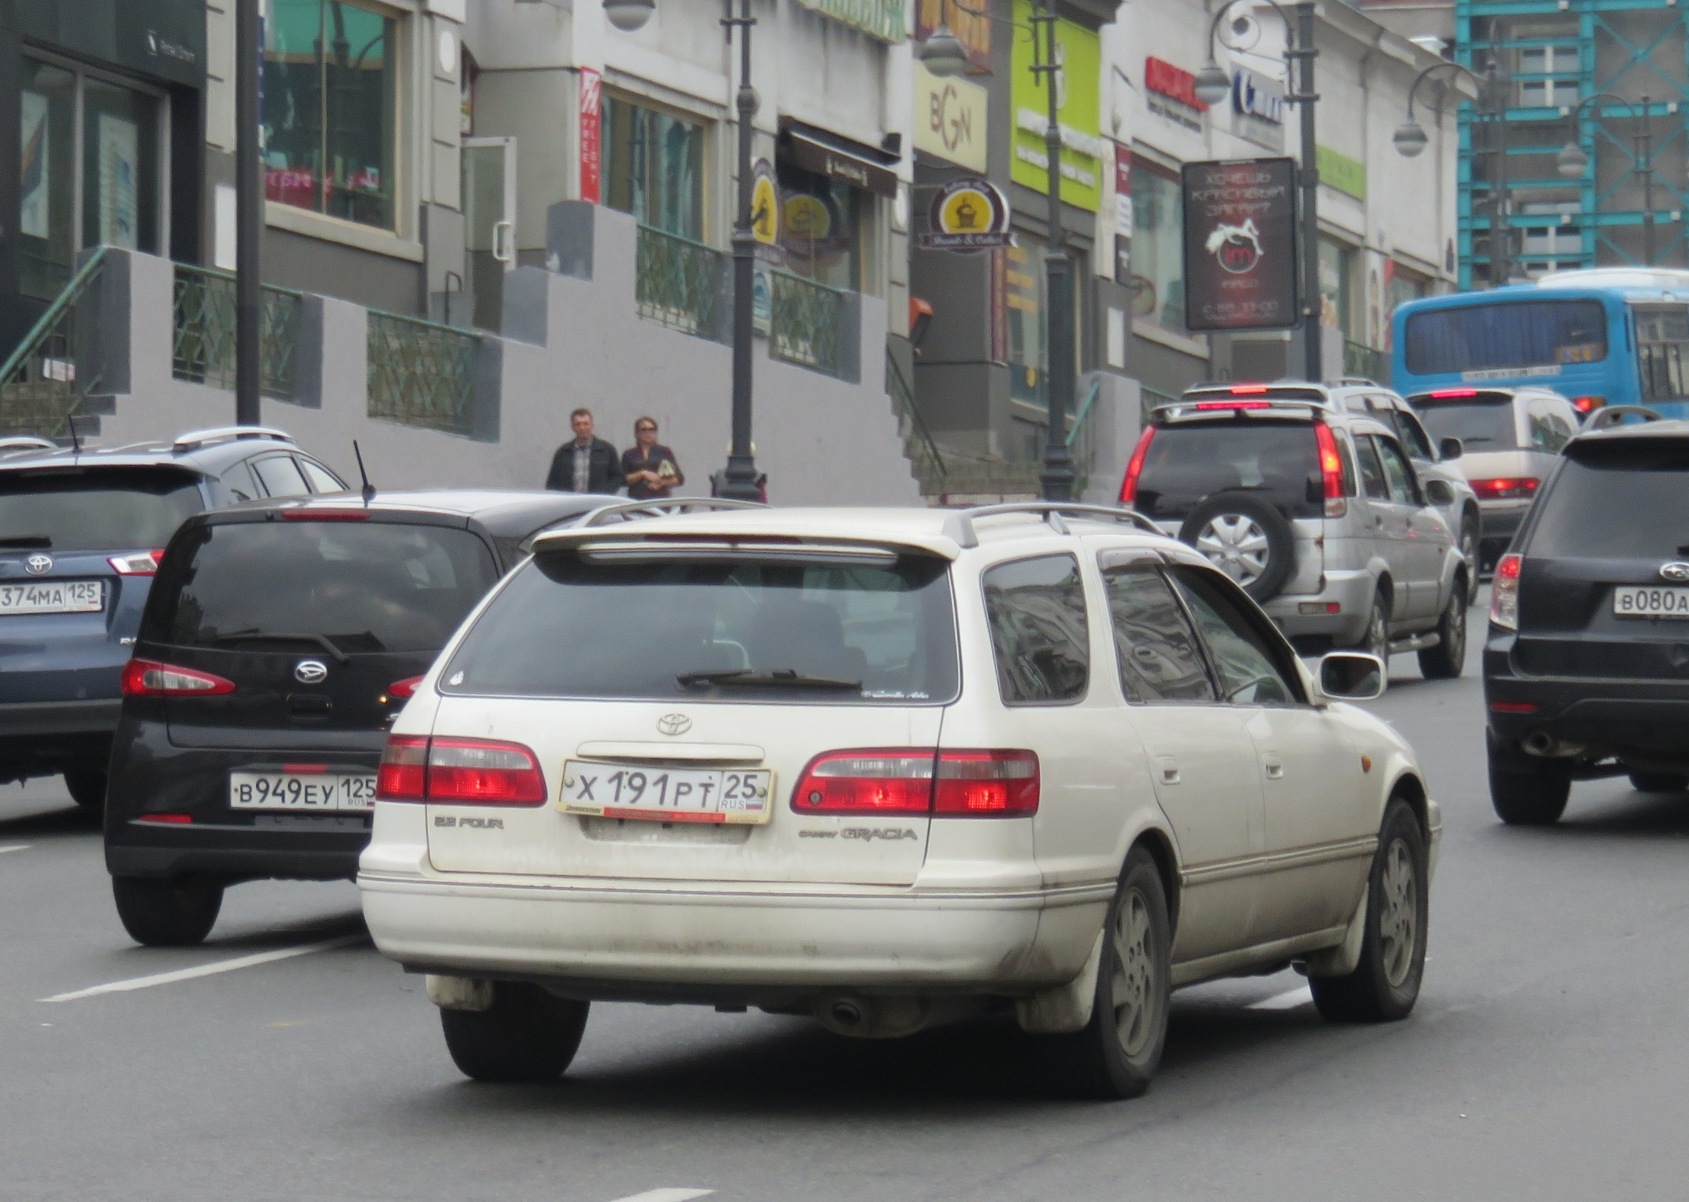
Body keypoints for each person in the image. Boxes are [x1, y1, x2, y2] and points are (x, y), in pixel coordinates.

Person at [546, 408, 622, 494]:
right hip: (570, 503)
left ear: (592, 425)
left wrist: (604, 494)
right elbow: (552, 482)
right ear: (572, 427)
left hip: (598, 503)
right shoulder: (563, 452)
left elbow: (617, 478)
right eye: (578, 424)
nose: (582, 427)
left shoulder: (607, 450)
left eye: (586, 424)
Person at [621, 417, 685, 500]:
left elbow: (679, 478)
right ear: (637, 433)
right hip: (636, 501)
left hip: (660, 500)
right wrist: (642, 474)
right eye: (644, 430)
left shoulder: (664, 451)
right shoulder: (629, 454)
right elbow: (622, 480)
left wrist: (661, 483)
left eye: (651, 429)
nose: (648, 433)